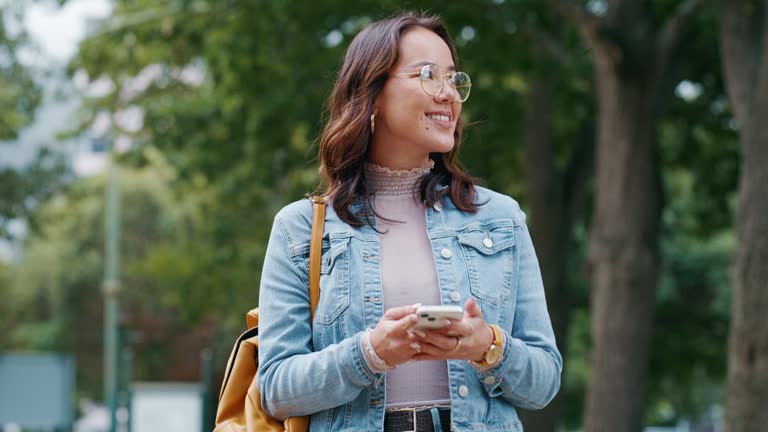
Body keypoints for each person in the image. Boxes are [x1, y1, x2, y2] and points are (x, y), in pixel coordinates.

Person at [257, 11, 562, 432]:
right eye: (428, 75)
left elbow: (543, 381)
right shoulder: (300, 228)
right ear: (373, 93)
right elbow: (275, 388)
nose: (448, 94)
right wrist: (370, 353)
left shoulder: (500, 218)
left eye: (454, 80)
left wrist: (486, 346)